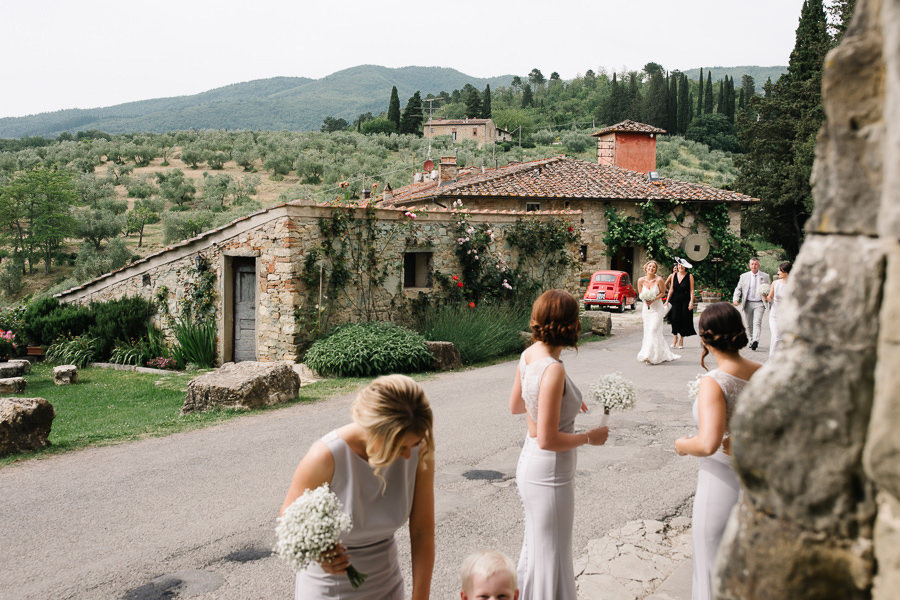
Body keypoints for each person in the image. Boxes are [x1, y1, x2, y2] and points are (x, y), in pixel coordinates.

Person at [280, 374, 435, 600]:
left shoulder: (418, 449)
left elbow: (422, 531)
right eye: (400, 446)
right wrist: (320, 554)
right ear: (375, 431)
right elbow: (288, 519)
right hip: (329, 588)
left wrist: (420, 597)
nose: (406, 455)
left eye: (414, 443)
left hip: (387, 584)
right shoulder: (325, 457)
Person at [508, 289, 609, 600]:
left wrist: (560, 406)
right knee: (551, 554)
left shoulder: (529, 355)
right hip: (549, 474)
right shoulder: (553, 369)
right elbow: (549, 438)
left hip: (531, 464)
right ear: (571, 324)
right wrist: (589, 438)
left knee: (537, 550)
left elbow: (518, 405)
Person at [674, 302, 762, 600]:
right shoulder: (763, 373)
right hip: (757, 488)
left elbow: (708, 444)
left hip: (720, 486)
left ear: (704, 337)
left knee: (713, 571)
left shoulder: (714, 383)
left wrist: (682, 445)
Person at [637, 260, 681, 364]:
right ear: (646, 268)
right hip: (646, 310)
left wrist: (653, 299)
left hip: (657, 309)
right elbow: (640, 294)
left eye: (653, 267)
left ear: (656, 269)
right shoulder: (640, 280)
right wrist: (646, 300)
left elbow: (662, 293)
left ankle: (648, 354)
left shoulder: (659, 280)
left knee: (653, 329)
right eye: (650, 266)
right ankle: (656, 352)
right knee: (648, 331)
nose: (651, 268)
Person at [732, 258, 770, 351]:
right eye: (752, 264)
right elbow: (738, 289)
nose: (754, 266)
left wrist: (768, 298)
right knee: (749, 324)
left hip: (759, 303)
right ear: (749, 265)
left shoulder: (765, 276)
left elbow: (769, 288)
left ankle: (756, 340)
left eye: (756, 264)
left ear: (758, 265)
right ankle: (752, 339)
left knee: (757, 322)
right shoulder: (744, 276)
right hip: (748, 303)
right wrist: (736, 299)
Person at [665, 258, 697, 349]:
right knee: (674, 318)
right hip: (675, 300)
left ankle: (681, 340)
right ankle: (675, 338)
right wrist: (667, 301)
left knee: (684, 319)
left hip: (685, 300)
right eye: (679, 265)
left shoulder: (689, 276)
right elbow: (671, 289)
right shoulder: (674, 275)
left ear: (685, 267)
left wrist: (691, 302)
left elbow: (691, 290)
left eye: (682, 265)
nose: (680, 267)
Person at [765, 261, 792, 358]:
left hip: (787, 315)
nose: (778, 273)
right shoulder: (775, 283)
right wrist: (765, 297)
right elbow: (770, 298)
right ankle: (771, 360)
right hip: (775, 315)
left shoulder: (793, 285)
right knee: (776, 337)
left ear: (786, 272)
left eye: (780, 271)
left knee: (785, 338)